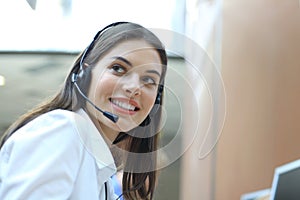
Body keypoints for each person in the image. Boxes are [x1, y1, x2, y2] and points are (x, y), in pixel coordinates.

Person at [0, 22, 167, 200]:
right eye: (118, 68)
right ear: (85, 73)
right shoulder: (64, 130)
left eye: (149, 79)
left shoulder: (102, 177)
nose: (134, 87)